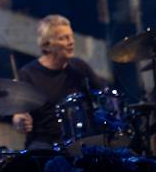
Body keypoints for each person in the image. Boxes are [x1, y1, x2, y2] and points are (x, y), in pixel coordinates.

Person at [12, 14, 105, 150]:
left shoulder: (79, 67)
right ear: (46, 45)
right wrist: (19, 120)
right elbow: (18, 113)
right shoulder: (28, 74)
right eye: (63, 38)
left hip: (82, 138)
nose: (71, 42)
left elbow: (103, 94)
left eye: (71, 36)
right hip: (44, 141)